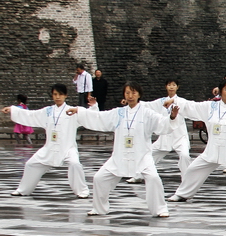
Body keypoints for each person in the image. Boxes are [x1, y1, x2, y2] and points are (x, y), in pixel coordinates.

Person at [67, 83, 176, 217]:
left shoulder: (146, 112)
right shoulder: (118, 113)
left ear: (139, 95)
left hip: (141, 156)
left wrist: (171, 117)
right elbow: (99, 117)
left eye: (133, 93)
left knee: (153, 178)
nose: (130, 96)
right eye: (128, 93)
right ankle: (99, 208)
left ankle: (160, 209)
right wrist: (80, 111)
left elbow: (161, 123)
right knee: (99, 178)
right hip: (119, 156)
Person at [166, 79, 226, 205]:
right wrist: (175, 101)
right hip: (213, 148)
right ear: (221, 91)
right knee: (193, 169)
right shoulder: (210, 106)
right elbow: (191, 106)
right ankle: (181, 194)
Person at [4, 84, 88, 198]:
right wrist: (12, 110)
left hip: (68, 148)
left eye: (60, 94)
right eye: (55, 94)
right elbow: (31, 115)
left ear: (65, 95)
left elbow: (89, 116)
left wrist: (93, 107)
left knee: (75, 164)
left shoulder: (72, 111)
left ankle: (82, 191)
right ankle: (23, 189)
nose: (57, 97)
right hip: (49, 147)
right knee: (31, 164)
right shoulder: (48, 111)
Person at [127, 79, 192, 183]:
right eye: (169, 85)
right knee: (148, 154)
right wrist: (133, 102)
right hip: (165, 137)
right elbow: (147, 105)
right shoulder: (161, 101)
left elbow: (191, 107)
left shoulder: (181, 101)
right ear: (166, 87)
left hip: (179, 137)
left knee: (184, 156)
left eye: (173, 85)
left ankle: (187, 181)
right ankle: (139, 175)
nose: (171, 87)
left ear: (177, 87)